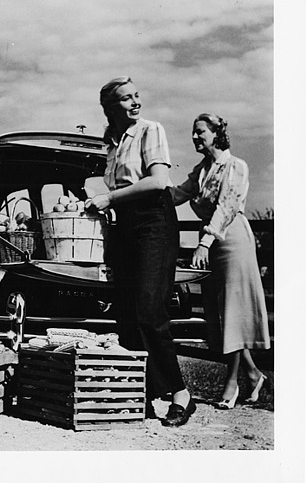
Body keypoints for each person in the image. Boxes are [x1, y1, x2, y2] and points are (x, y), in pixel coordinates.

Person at [88, 76, 195, 426]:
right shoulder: (113, 144)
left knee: (150, 308)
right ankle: (143, 394)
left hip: (154, 222)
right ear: (110, 107)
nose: (135, 102)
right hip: (126, 226)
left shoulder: (151, 130)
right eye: (125, 99)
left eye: (136, 96)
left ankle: (180, 392)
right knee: (129, 312)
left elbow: (159, 181)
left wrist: (109, 198)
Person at [171, 113, 271, 409]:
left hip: (232, 239)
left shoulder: (235, 166)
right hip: (213, 243)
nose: (194, 137)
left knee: (234, 311)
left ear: (216, 133)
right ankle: (253, 374)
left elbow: (227, 206)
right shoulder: (202, 170)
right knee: (221, 312)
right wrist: (149, 190)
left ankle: (232, 383)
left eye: (199, 132)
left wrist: (204, 242)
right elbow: (177, 194)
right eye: (193, 132)